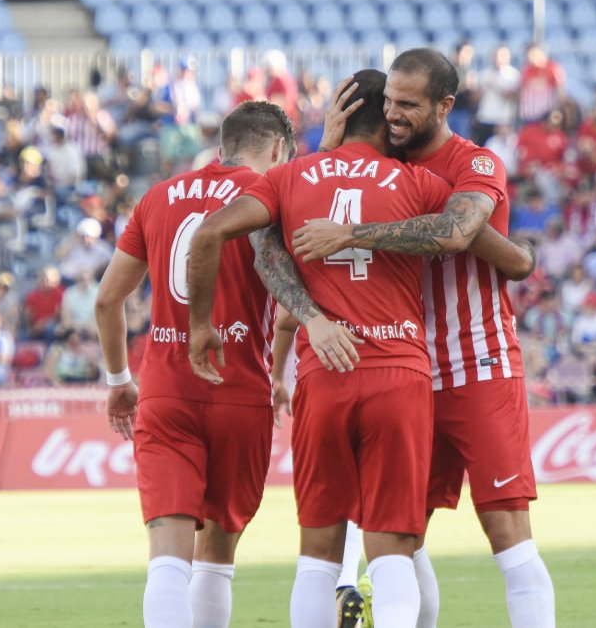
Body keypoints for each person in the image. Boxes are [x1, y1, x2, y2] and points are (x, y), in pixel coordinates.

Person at [186, 70, 533, 628]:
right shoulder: (415, 180)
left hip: (324, 372)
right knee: (394, 548)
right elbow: (506, 257)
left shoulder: (290, 179)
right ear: (385, 118)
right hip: (401, 375)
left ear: (340, 115)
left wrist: (284, 319)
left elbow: (220, 238)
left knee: (317, 557)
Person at [291, 49, 553, 627]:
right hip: (400, 371)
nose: (394, 115)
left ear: (445, 106)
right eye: (388, 103)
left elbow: (457, 232)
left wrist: (353, 232)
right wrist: (329, 151)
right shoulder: (381, 164)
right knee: (399, 541)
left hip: (476, 361)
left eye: (408, 105)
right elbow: (312, 197)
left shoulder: (476, 162)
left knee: (507, 530)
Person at [94, 99, 308, 628]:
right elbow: (288, 308)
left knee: (167, 555)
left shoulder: (158, 196)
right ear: (278, 149)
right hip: (241, 391)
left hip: (166, 392)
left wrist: (120, 380)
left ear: (222, 145)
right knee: (216, 558)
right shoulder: (271, 197)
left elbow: (106, 301)